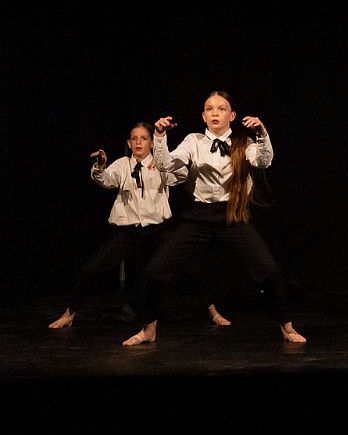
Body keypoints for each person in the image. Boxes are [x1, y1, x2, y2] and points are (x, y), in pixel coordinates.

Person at [124, 92, 305, 345]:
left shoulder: (243, 143)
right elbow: (166, 164)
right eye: (209, 109)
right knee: (154, 271)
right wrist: (160, 136)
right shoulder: (193, 141)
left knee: (270, 270)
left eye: (221, 109)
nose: (215, 113)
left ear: (232, 115)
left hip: (232, 217)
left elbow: (264, 162)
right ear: (203, 116)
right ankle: (148, 329)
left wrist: (262, 134)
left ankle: (286, 327)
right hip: (199, 217)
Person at [49, 123, 231, 329]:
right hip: (128, 231)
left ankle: (213, 312)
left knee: (191, 266)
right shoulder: (122, 165)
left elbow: (180, 176)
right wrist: (100, 165)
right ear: (129, 143)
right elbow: (106, 180)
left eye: (143, 138)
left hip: (158, 229)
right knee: (91, 268)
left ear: (152, 143)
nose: (138, 142)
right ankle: (69, 314)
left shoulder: (160, 164)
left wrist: (164, 165)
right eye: (134, 138)